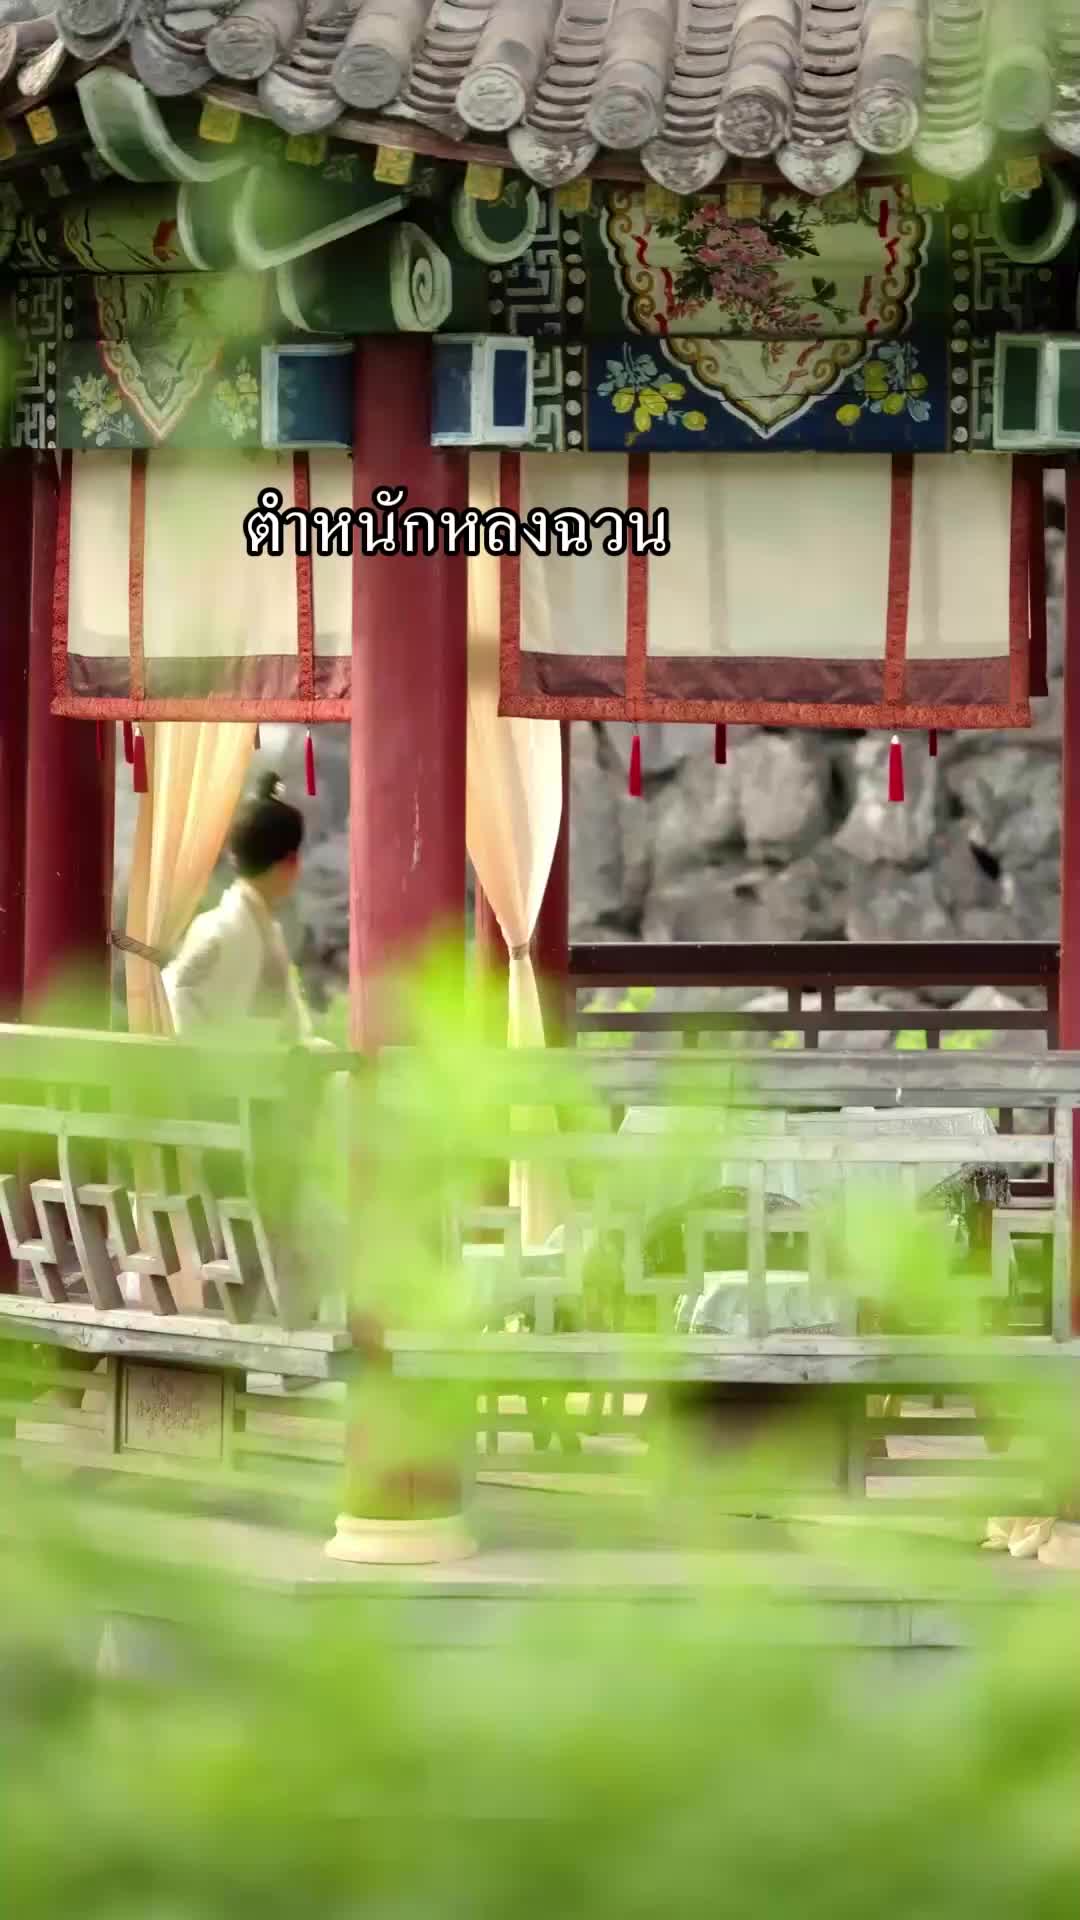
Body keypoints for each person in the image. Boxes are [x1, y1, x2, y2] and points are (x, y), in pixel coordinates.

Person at [163, 770, 315, 1043]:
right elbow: (176, 995)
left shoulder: (259, 929)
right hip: (220, 1064)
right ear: (291, 863)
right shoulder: (220, 930)